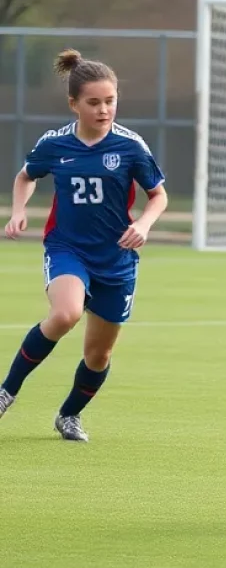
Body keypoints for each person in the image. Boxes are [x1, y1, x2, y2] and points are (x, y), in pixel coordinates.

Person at [1, 50, 168, 441]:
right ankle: (7, 391)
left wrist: (143, 223)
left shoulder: (131, 146)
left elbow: (158, 195)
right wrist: (18, 211)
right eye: (93, 102)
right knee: (65, 314)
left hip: (116, 258)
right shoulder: (55, 144)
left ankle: (68, 416)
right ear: (74, 104)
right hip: (67, 249)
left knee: (99, 355)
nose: (103, 109)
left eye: (110, 101)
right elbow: (26, 176)